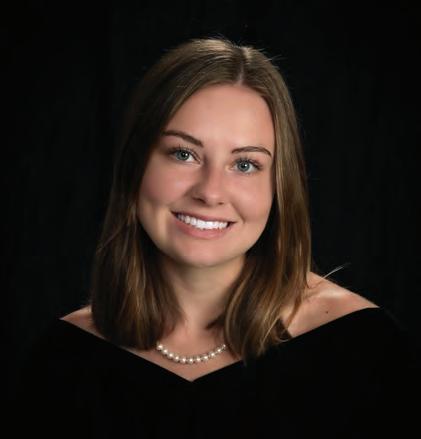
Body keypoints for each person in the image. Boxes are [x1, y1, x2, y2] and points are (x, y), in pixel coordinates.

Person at [14, 36, 420, 438]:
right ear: (135, 166)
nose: (210, 192)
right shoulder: (63, 360)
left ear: (279, 186)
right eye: (183, 154)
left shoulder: (365, 352)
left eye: (244, 164)